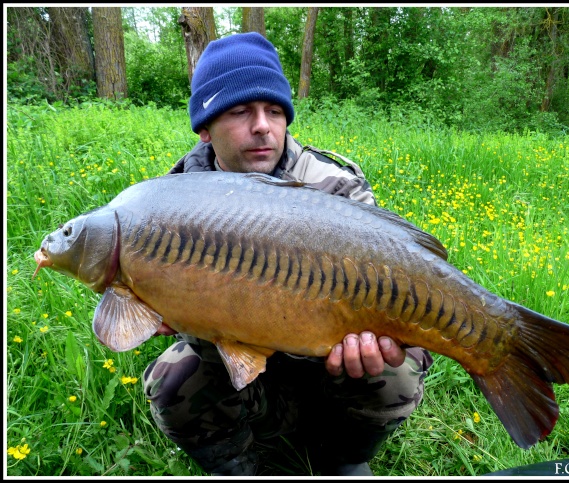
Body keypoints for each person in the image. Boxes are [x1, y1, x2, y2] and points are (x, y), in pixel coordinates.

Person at [142, 32, 433, 477]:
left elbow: (398, 289)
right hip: (237, 366)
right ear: (205, 128)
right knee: (172, 380)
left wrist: (387, 341)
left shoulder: (334, 185)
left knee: (395, 372)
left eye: (274, 111)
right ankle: (241, 464)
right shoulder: (171, 203)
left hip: (328, 366)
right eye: (240, 111)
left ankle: (345, 460)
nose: (263, 125)